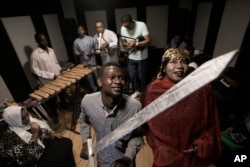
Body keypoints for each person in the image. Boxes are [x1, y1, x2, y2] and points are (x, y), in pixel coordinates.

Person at [141, 48, 222, 167]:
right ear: (163, 68)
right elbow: (148, 125)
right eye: (173, 62)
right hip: (164, 147)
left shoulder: (201, 89)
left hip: (193, 147)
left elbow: (211, 123)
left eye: (183, 62)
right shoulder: (154, 90)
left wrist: (201, 143)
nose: (179, 66)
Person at [79, 62, 143, 167]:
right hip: (102, 161)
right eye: (111, 77)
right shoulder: (87, 102)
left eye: (121, 78)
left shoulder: (134, 107)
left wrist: (126, 159)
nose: (118, 81)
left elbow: (137, 136)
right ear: (99, 82)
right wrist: (85, 142)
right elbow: (84, 119)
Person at [0, 105, 76, 167]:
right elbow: (28, 160)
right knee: (57, 159)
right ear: (13, 121)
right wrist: (35, 134)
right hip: (34, 159)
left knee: (66, 142)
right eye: (23, 118)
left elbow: (42, 132)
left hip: (40, 145)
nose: (28, 118)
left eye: (27, 114)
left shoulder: (27, 120)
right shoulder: (8, 139)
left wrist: (52, 134)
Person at [30, 32, 62, 125]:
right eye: (42, 40)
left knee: (61, 93)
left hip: (58, 77)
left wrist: (60, 70)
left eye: (45, 39)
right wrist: (51, 75)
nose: (45, 42)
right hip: (47, 81)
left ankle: (64, 106)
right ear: (38, 41)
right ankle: (55, 116)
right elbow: (35, 71)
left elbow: (56, 63)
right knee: (51, 100)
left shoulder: (51, 50)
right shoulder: (35, 54)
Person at [120, 14, 151, 99]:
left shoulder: (141, 25)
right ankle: (137, 91)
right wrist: (127, 44)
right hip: (131, 56)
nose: (125, 28)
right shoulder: (123, 28)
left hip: (142, 57)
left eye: (127, 25)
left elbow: (148, 41)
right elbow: (123, 42)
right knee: (132, 76)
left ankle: (145, 93)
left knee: (141, 76)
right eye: (124, 26)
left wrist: (136, 43)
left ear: (131, 22)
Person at [73, 25, 98, 92]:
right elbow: (75, 52)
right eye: (79, 30)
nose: (80, 31)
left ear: (84, 31)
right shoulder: (76, 41)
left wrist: (92, 52)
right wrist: (79, 53)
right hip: (84, 62)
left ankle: (100, 88)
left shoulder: (91, 38)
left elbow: (95, 48)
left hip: (92, 61)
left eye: (81, 30)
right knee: (89, 77)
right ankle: (94, 90)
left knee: (96, 75)